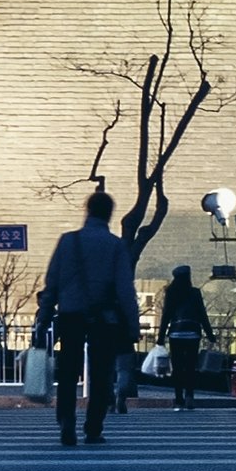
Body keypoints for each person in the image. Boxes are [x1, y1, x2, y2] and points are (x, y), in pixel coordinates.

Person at [42, 191, 134, 448]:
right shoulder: (115, 245)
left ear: (87, 210)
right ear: (109, 214)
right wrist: (132, 324)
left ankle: (66, 422)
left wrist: (44, 314)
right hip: (104, 318)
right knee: (101, 374)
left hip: (70, 315)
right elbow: (125, 289)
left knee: (68, 372)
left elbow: (52, 282)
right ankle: (93, 428)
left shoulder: (68, 242)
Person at [158, 264, 208, 411]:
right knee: (191, 367)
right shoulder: (195, 293)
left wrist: (161, 336)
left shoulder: (171, 293)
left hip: (176, 333)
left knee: (178, 367)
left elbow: (166, 315)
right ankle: (190, 396)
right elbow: (202, 315)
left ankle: (178, 398)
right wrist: (210, 334)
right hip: (193, 333)